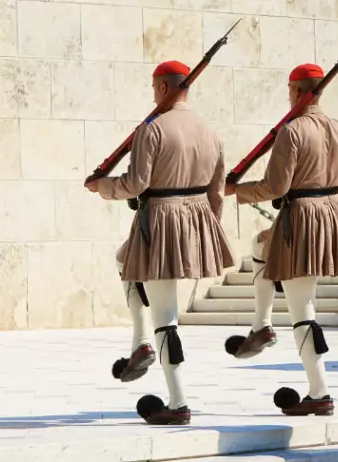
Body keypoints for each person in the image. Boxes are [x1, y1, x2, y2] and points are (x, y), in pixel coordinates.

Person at [86, 60, 236, 425]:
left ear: (164, 88)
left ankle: (177, 400)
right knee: (125, 262)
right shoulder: (210, 131)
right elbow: (217, 192)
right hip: (197, 219)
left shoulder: (152, 129)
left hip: (160, 220)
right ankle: (140, 342)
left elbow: (136, 184)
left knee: (165, 316)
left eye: (155, 88)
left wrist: (102, 186)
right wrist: (207, 231)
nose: (153, 95)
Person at [225, 63, 338, 416]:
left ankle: (320, 393)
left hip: (301, 217)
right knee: (260, 246)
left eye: (289, 91)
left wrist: (235, 190)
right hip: (331, 214)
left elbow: (275, 187)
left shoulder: (293, 131)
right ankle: (262, 323)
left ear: (298, 92)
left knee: (303, 309)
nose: (288, 97)